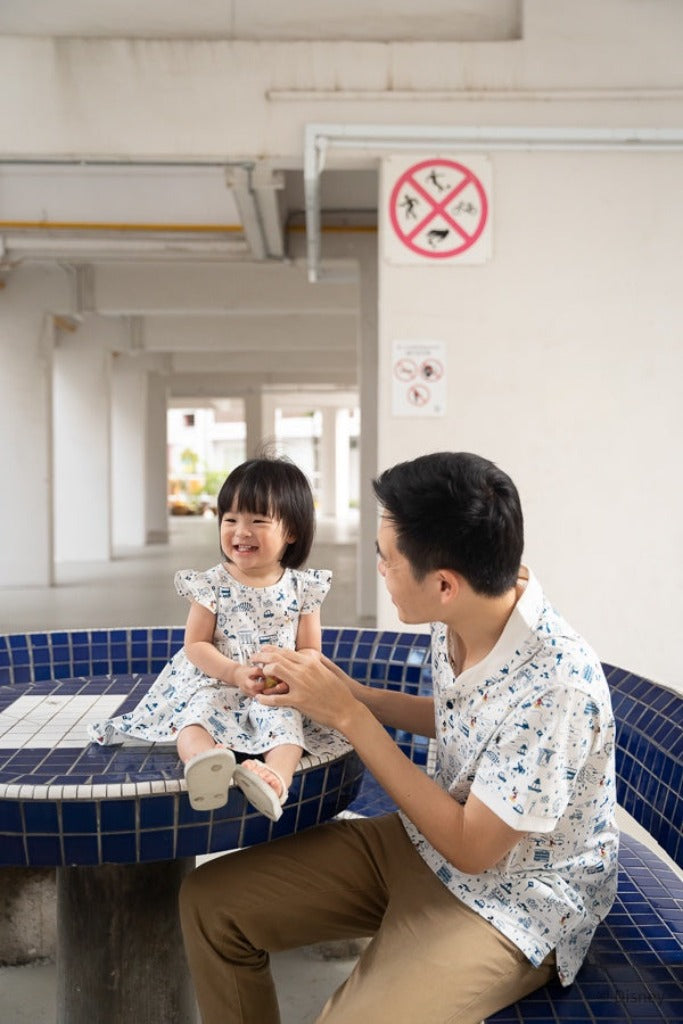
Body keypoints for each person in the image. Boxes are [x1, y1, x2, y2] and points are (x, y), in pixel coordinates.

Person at [179, 451, 619, 1023]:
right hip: (422, 843)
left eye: (386, 560)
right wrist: (351, 692)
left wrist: (350, 718)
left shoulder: (557, 683)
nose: (379, 569)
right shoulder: (476, 606)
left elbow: (472, 848)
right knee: (211, 904)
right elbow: (466, 718)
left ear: (442, 584)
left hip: (516, 898)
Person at [88, 455, 349, 821]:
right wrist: (233, 673)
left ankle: (275, 778)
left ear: (291, 531)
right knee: (194, 718)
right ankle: (205, 763)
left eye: (258, 520)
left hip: (273, 687)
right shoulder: (211, 583)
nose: (241, 531)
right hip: (215, 680)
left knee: (287, 727)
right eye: (230, 520)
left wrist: (286, 676)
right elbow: (195, 645)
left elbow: (309, 650)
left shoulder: (304, 588)